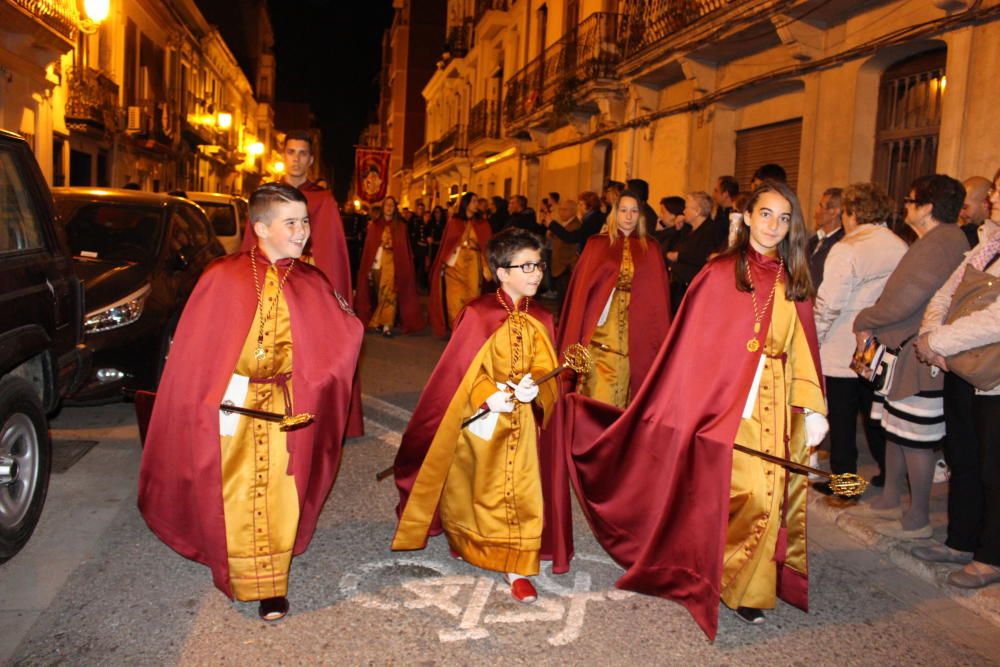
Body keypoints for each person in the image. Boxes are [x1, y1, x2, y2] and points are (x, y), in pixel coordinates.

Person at [548, 180, 828, 636]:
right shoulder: (720, 273)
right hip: (722, 405)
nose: (773, 226)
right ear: (748, 217)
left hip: (775, 404)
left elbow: (804, 349)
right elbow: (692, 349)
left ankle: (743, 587)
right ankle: (717, 573)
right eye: (765, 214)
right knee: (738, 493)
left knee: (768, 496)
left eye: (783, 217)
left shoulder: (794, 279)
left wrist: (813, 408)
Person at [137, 183, 363, 621]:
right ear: (260, 227)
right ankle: (240, 567)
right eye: (291, 222)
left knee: (279, 491)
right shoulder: (223, 276)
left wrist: (315, 374)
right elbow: (197, 353)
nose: (302, 232)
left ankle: (270, 584)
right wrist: (210, 396)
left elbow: (345, 335)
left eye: (305, 221)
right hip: (232, 406)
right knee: (238, 494)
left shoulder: (311, 279)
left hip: (286, 404)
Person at [391, 228, 560, 603]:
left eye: (539, 264)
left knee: (521, 492)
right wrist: (487, 395)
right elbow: (462, 370)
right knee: (476, 487)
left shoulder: (543, 316)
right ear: (501, 272)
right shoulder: (478, 312)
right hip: (484, 419)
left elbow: (547, 370)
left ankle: (516, 565)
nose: (536, 273)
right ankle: (470, 539)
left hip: (524, 426)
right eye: (526, 265)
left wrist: (537, 389)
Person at [849, 174, 970, 538]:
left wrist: (864, 318)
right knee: (895, 429)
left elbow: (905, 300)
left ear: (928, 207)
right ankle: (890, 498)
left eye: (910, 200)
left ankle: (917, 516)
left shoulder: (941, 242)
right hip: (903, 353)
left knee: (915, 437)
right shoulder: (937, 239)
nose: (905, 206)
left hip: (918, 358)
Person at [239, 130, 363, 437]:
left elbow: (331, 250)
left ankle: (312, 411)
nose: (296, 159)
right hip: (271, 280)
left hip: (308, 283)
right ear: (283, 155)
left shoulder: (323, 199)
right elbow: (252, 242)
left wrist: (329, 295)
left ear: (310, 158)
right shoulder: (267, 196)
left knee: (308, 349)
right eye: (291, 152)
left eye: (302, 153)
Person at [912, 167, 1000, 589]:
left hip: (993, 376)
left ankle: (991, 555)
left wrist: (941, 342)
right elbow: (946, 293)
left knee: (993, 467)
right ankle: (961, 539)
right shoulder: (984, 243)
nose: (994, 198)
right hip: (960, 367)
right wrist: (931, 336)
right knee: (963, 456)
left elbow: (996, 319)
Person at [813, 183, 905, 496]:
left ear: (852, 213)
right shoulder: (899, 245)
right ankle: (887, 474)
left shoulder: (848, 248)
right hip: (878, 345)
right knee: (876, 414)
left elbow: (830, 302)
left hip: (842, 345)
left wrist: (816, 335)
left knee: (842, 420)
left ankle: (845, 484)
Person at [557, 190, 671, 409]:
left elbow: (658, 300)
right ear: (614, 213)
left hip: (637, 334)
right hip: (601, 333)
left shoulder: (652, 248)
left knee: (633, 392)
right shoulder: (597, 244)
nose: (628, 216)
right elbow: (582, 291)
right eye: (623, 210)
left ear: (641, 216)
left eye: (634, 211)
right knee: (597, 393)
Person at [354, 195, 426, 336]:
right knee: (378, 293)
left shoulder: (400, 226)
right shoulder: (374, 225)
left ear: (395, 209)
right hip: (376, 264)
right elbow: (369, 248)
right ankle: (379, 321)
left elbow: (403, 249)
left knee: (389, 293)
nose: (389, 207)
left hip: (393, 265)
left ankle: (387, 325)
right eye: (387, 205)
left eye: (392, 205)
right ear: (383, 207)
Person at [428, 192, 493, 337]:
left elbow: (486, 247)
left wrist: (487, 267)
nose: (477, 204)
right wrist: (443, 263)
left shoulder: (482, 223)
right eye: (474, 201)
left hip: (473, 264)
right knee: (454, 300)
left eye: (477, 201)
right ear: (466, 203)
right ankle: (456, 331)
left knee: (472, 298)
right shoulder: (454, 222)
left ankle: (469, 330)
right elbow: (447, 245)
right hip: (454, 265)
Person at [666, 191, 728, 310]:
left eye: (686, 207)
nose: (683, 211)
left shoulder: (712, 230)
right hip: (678, 286)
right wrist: (678, 229)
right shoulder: (688, 228)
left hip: (693, 291)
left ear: (697, 211)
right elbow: (673, 246)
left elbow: (705, 257)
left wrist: (680, 256)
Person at [807, 187, 845, 288]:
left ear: (834, 212)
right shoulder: (812, 241)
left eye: (821, 206)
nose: (816, 211)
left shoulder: (842, 245)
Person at [549, 198, 581, 314]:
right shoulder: (563, 223)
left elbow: (569, 242)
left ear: (573, 211)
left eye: (565, 210)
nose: (561, 212)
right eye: (560, 209)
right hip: (558, 265)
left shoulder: (575, 225)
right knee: (560, 296)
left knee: (565, 297)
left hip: (566, 266)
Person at [958, 176, 993, 247]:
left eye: (965, 207)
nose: (960, 213)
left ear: (985, 204)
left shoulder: (994, 236)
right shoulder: (963, 233)